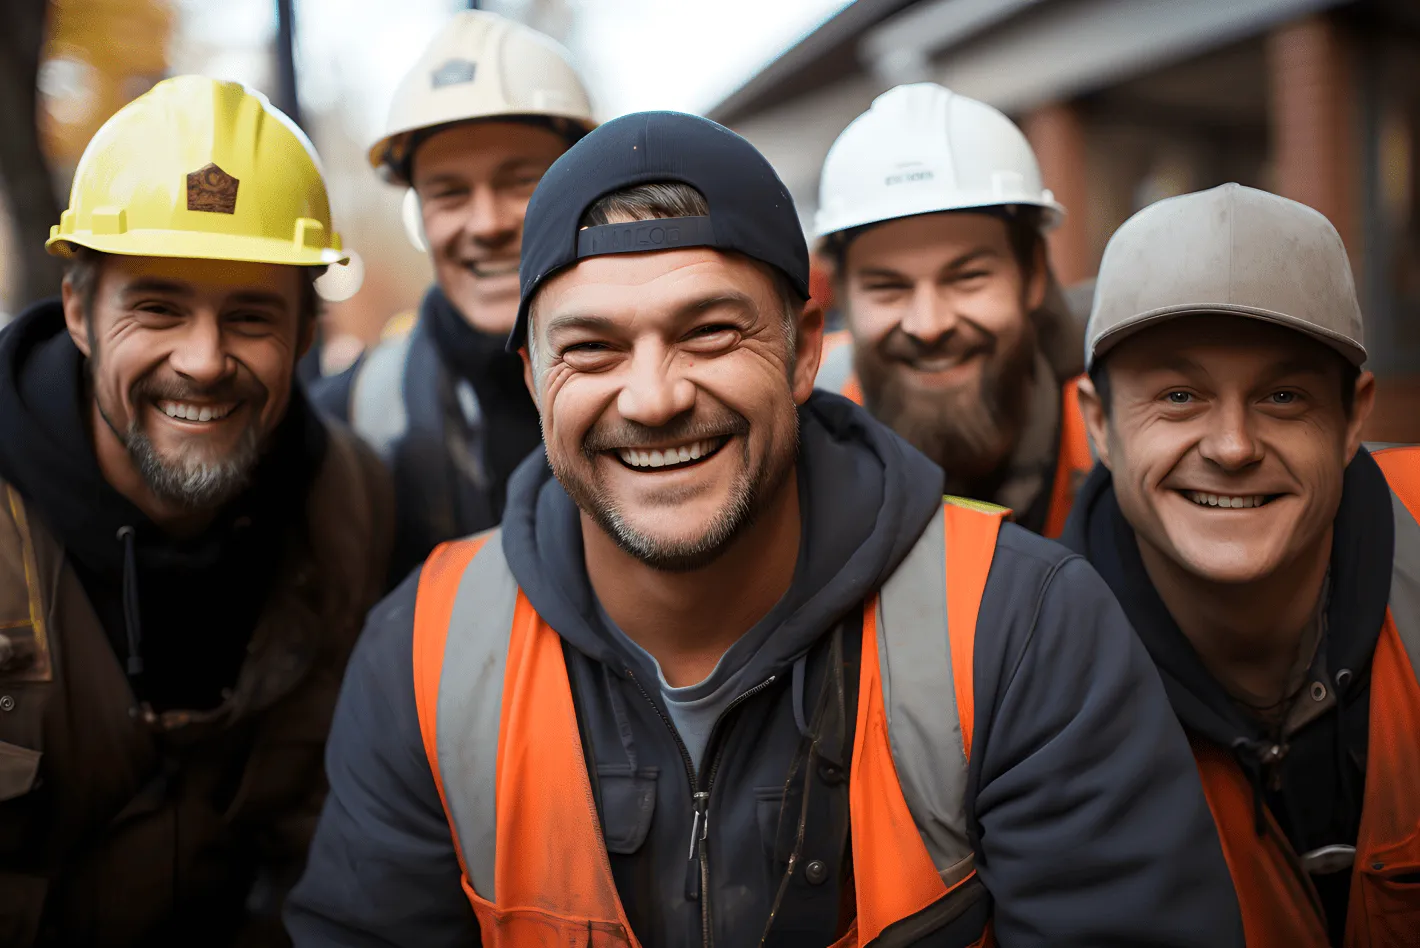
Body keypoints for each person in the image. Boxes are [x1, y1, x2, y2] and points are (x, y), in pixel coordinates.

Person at [286, 110, 1243, 947]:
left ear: (803, 352)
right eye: (592, 349)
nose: (655, 397)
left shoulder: (1023, 624)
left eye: (708, 332)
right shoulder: (425, 649)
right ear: (536, 381)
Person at [0, 76, 393, 947]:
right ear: (79, 312)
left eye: (250, 314)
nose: (205, 361)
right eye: (158, 308)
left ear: (302, 333)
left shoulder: (353, 508)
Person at [1061, 182, 1420, 946]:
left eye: (1284, 396)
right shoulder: (1020, 662)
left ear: (1353, 416)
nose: (1231, 447)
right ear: (1099, 422)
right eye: (1180, 395)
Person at [308, 10, 596, 584]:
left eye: (520, 181)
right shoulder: (345, 422)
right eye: (449, 192)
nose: (486, 223)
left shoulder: (658, 386)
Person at [813, 83, 1091, 537]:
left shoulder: (1113, 428)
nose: (929, 325)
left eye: (967, 278)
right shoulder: (801, 419)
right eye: (887, 287)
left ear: (1034, 274)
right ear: (843, 294)